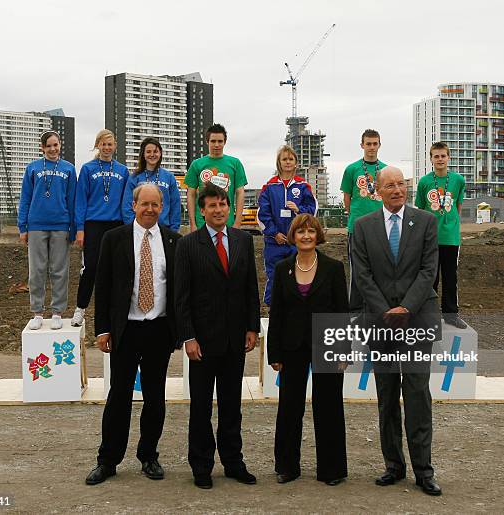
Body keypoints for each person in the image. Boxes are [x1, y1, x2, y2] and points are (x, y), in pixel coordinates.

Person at [350, 166, 443, 496]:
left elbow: (429, 270)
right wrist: (386, 311)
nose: (396, 190)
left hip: (417, 319)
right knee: (387, 395)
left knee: (417, 393)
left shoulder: (427, 222)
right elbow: (361, 275)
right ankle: (394, 466)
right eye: (389, 185)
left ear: (407, 188)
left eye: (401, 184)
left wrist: (407, 307)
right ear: (378, 190)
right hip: (380, 322)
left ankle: (423, 470)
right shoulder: (362, 228)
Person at [85, 183, 181, 485]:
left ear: (161, 207)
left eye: (155, 205)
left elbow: (178, 288)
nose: (150, 209)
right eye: (145, 204)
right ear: (133, 205)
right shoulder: (114, 239)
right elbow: (103, 286)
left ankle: (149, 456)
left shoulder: (173, 241)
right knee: (119, 397)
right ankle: (108, 460)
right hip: (125, 330)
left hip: (159, 329)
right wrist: (102, 329)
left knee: (155, 397)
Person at [175, 182, 260, 489]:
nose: (219, 209)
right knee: (200, 406)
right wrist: (188, 337)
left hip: (235, 339)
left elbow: (251, 286)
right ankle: (201, 465)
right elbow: (181, 297)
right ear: (202, 210)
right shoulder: (188, 245)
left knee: (231, 405)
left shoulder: (242, 240)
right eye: (212, 205)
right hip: (202, 342)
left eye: (223, 204)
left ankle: (233, 462)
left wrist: (253, 327)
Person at [267, 214, 348, 486]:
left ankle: (332, 469)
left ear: (318, 235)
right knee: (289, 407)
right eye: (300, 231)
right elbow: (276, 313)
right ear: (293, 236)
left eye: (310, 231)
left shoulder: (334, 268)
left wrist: (342, 351)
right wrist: (274, 353)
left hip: (327, 344)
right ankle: (287, 467)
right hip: (291, 347)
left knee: (329, 407)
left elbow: (341, 312)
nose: (305, 236)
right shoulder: (282, 269)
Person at [17, 130, 76, 330]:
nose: (52, 149)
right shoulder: (32, 168)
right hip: (36, 226)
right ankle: (37, 312)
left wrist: (73, 228)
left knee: (60, 270)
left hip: (61, 225)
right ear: (42, 147)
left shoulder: (68, 169)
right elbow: (25, 198)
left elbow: (72, 199)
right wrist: (22, 227)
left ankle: (58, 311)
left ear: (60, 145)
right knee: (37, 270)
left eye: (55, 145)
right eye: (48, 146)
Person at [71, 129, 129, 327]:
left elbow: (126, 200)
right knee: (91, 267)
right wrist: (80, 228)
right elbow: (80, 200)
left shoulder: (123, 170)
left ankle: (114, 310)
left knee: (115, 269)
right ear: (97, 145)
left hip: (116, 224)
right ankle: (80, 308)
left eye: (110, 144)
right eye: (103, 144)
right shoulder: (87, 169)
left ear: (115, 146)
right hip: (93, 224)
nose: (106, 148)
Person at [415, 142, 467, 329]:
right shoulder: (424, 182)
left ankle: (451, 314)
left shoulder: (458, 180)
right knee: (430, 277)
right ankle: (428, 314)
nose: (440, 159)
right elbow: (420, 210)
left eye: (443, 156)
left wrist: (450, 224)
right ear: (431, 159)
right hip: (430, 238)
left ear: (448, 158)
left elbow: (457, 207)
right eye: (436, 156)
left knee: (450, 277)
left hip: (451, 238)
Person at [257, 145, 317, 306]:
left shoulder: (303, 186)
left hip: (297, 243)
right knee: (274, 275)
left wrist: (299, 210)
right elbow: (262, 214)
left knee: (299, 276)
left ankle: (297, 310)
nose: (288, 162)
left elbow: (313, 210)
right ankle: (272, 311)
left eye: (291, 159)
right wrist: (274, 233)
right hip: (274, 242)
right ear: (279, 163)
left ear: (296, 163)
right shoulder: (269, 187)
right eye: (284, 159)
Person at [340, 129, 387, 312]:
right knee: (357, 269)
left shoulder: (385, 169)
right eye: (368, 143)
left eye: (375, 143)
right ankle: (355, 309)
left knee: (380, 268)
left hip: (381, 227)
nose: (372, 147)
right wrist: (355, 216)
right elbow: (347, 197)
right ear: (362, 145)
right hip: (357, 227)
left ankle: (376, 307)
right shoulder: (352, 169)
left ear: (379, 145)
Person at [184, 123, 247, 232]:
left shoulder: (235, 163)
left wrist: (237, 223)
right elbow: (191, 194)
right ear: (207, 141)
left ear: (225, 142)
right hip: (202, 224)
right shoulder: (196, 164)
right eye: (213, 141)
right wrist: (193, 224)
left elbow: (240, 193)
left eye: (220, 141)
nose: (216, 145)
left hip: (228, 223)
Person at [121, 137, 181, 232]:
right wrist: (133, 227)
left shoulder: (169, 177)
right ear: (143, 155)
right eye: (148, 152)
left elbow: (175, 205)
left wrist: (173, 230)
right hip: (138, 230)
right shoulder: (134, 177)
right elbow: (127, 205)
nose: (152, 155)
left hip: (163, 229)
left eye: (155, 151)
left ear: (160, 154)